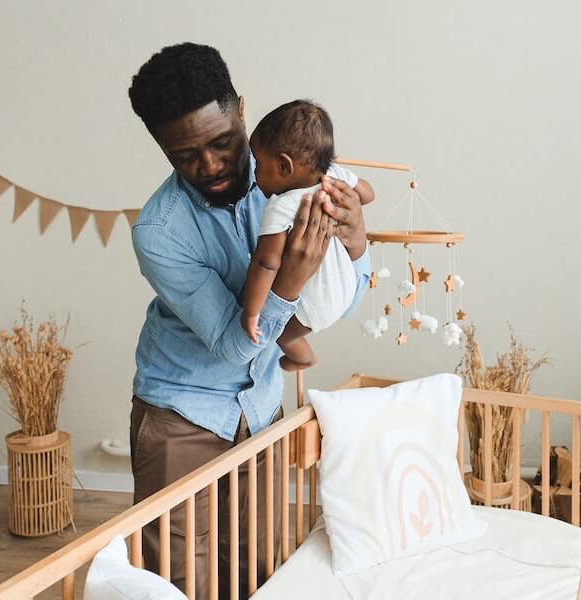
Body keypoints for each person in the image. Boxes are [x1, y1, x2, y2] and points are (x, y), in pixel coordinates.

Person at [127, 42, 372, 599]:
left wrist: (356, 245)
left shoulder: (293, 180)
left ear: (241, 110)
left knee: (261, 567)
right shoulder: (160, 232)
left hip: (260, 411)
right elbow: (233, 346)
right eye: (185, 155)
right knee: (180, 580)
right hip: (182, 419)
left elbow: (333, 302)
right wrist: (288, 283)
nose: (210, 166)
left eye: (221, 143)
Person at [242, 100, 375, 371]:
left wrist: (252, 312)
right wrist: (354, 198)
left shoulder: (281, 206)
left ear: (284, 166)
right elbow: (369, 193)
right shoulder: (334, 176)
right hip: (348, 286)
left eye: (258, 165)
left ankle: (303, 357)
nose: (255, 176)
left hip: (314, 302)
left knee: (280, 332)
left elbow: (266, 263)